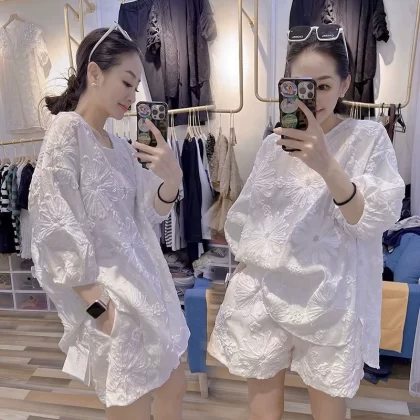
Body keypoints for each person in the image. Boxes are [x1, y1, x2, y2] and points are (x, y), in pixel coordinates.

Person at [208, 25, 405, 420]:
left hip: (331, 296)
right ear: (287, 86)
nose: (312, 99)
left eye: (324, 86)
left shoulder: (368, 138)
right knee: (263, 412)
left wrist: (327, 165)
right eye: (302, 86)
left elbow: (372, 220)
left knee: (328, 411)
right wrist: (244, 263)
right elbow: (253, 214)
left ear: (345, 84)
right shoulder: (273, 144)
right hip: (264, 290)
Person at [29, 25, 189, 420]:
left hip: (148, 283)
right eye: (127, 82)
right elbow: (54, 223)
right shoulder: (67, 130)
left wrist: (172, 180)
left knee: (173, 382)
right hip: (110, 295)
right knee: (131, 399)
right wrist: (101, 311)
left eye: (136, 87)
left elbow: (147, 216)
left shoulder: (119, 146)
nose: (132, 96)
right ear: (95, 73)